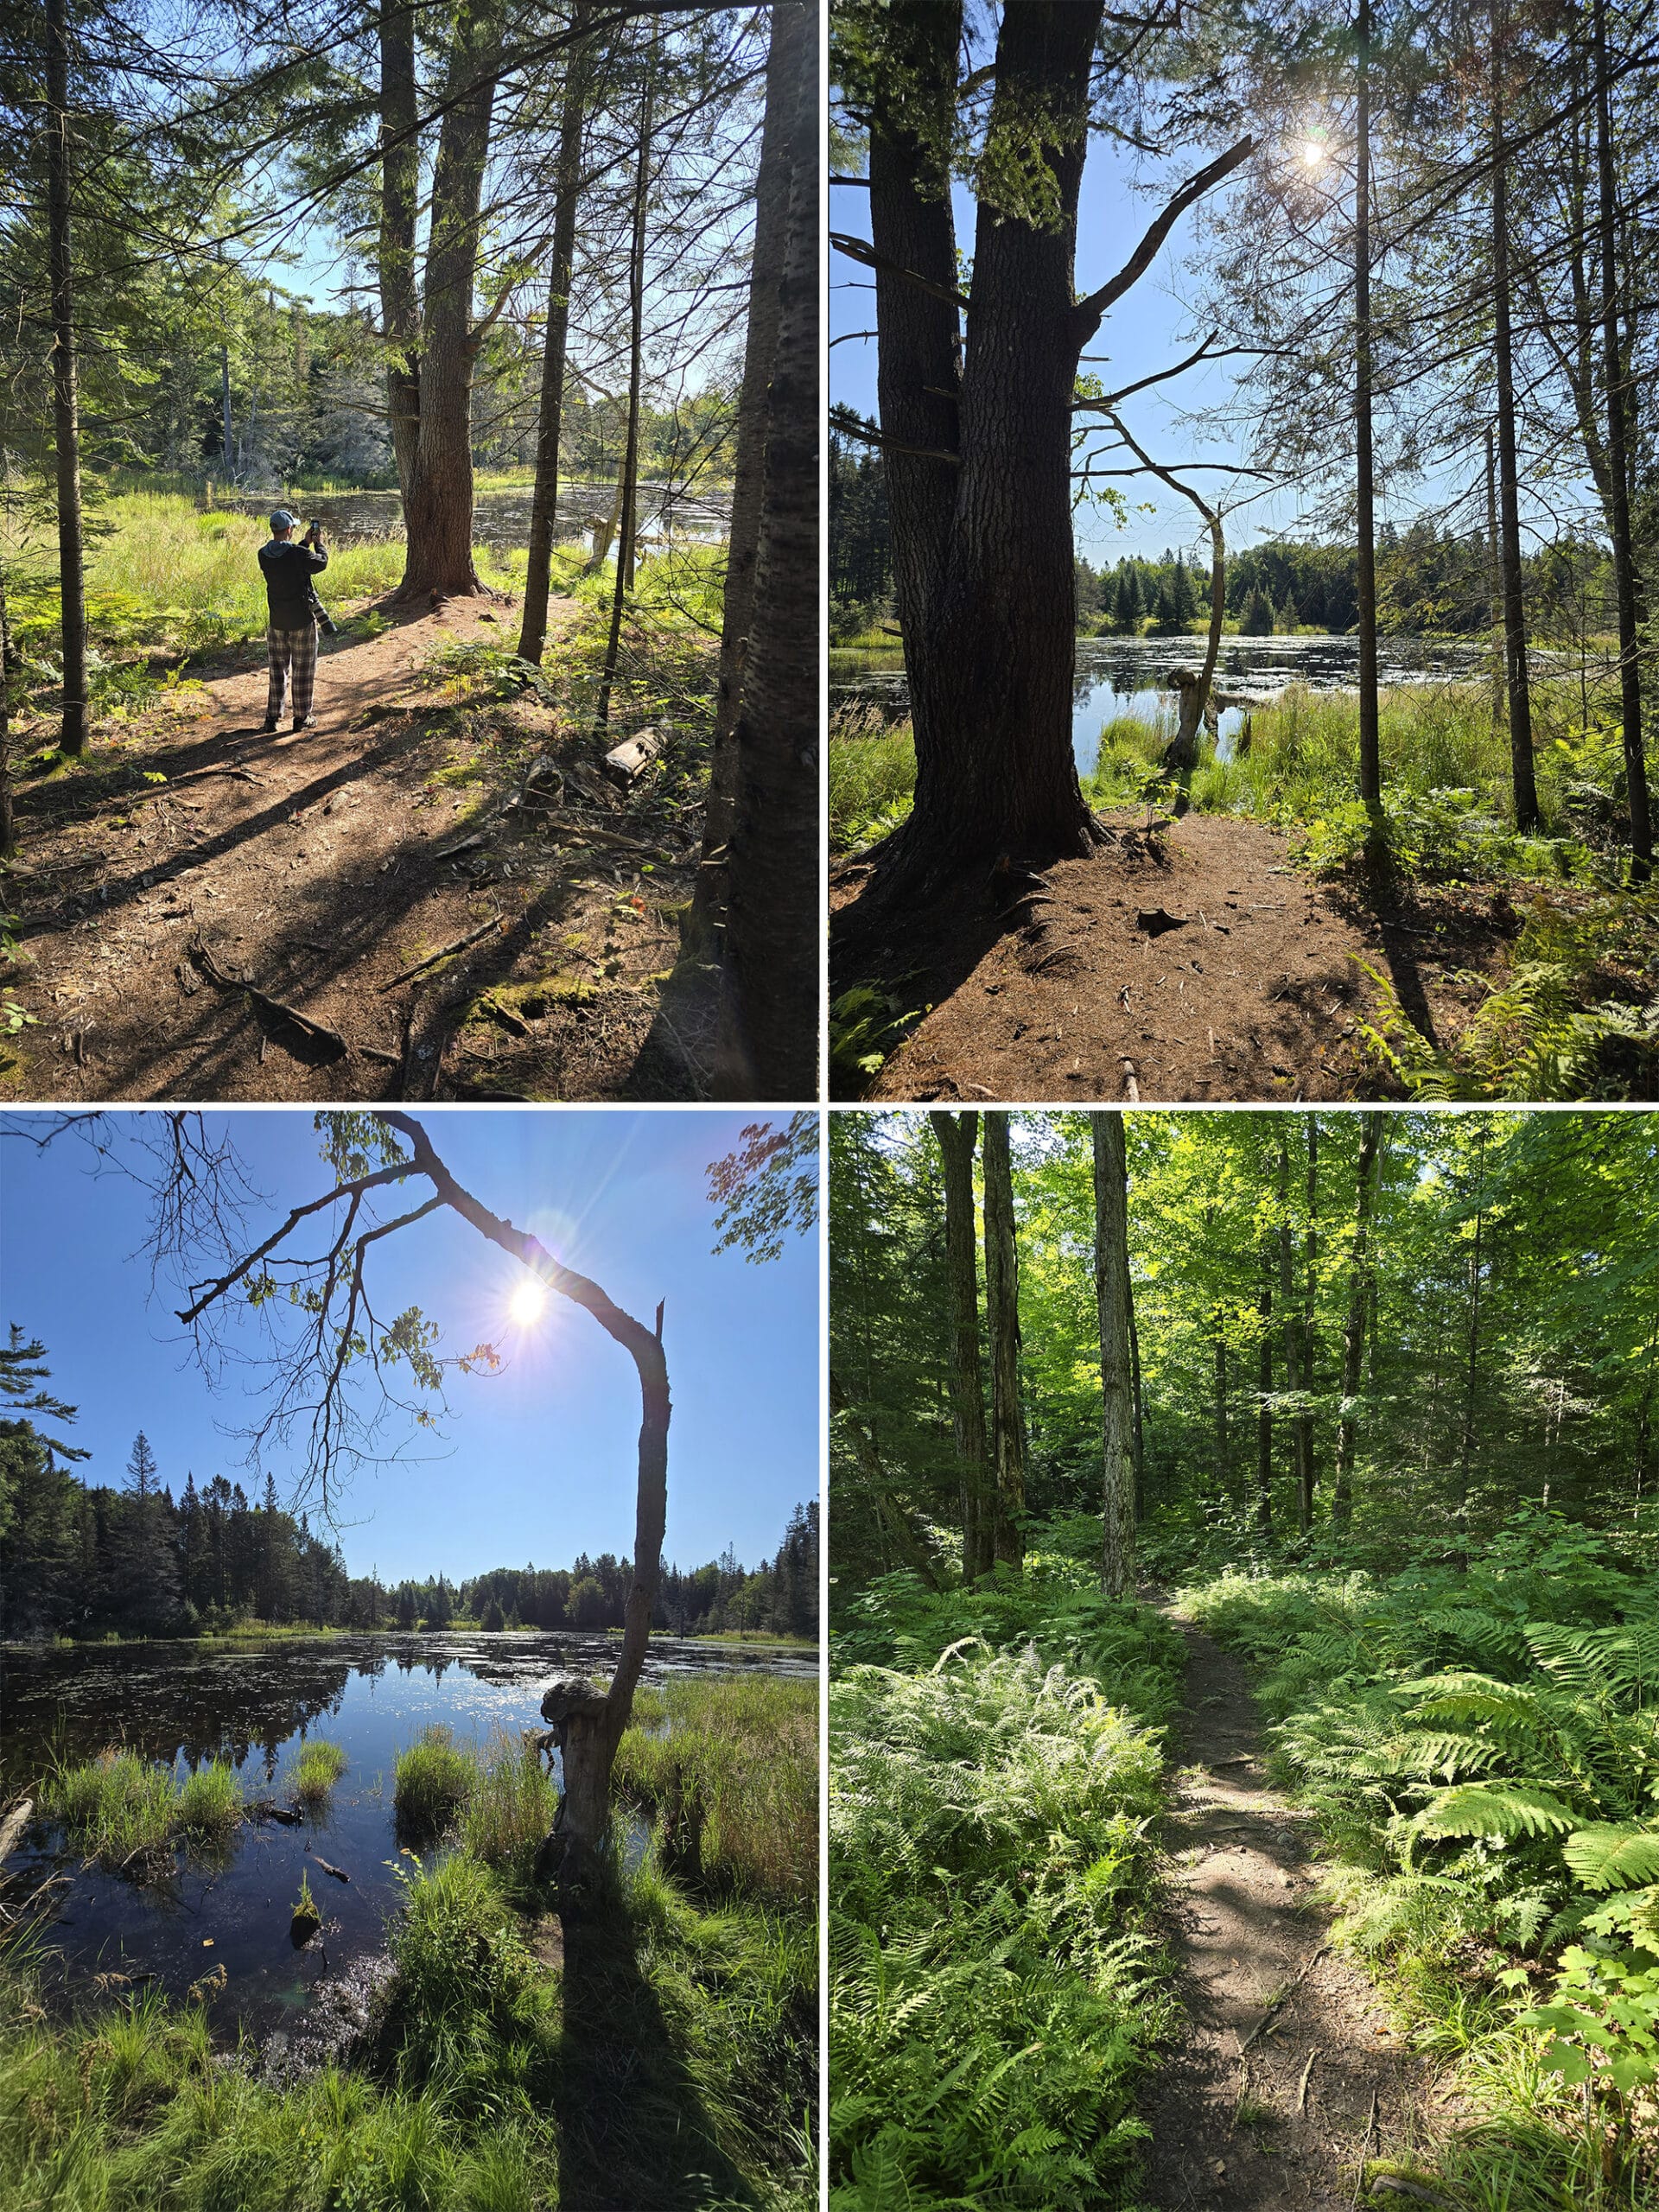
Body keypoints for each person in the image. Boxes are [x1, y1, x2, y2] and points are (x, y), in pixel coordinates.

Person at [257, 510, 329, 733]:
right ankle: (301, 718)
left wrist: (303, 544)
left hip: (277, 621)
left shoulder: (263, 554)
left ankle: (272, 718)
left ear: (274, 529)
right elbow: (321, 563)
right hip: (302, 621)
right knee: (303, 670)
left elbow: (289, 558)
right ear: (289, 529)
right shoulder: (298, 554)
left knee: (278, 670)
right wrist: (318, 544)